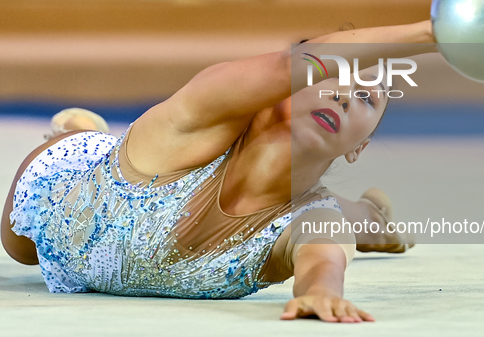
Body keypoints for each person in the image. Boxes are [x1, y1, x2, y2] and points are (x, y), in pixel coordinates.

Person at [1, 20, 436, 323]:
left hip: (296, 204)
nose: (345, 97)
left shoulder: (317, 221)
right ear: (288, 80)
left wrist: (321, 294)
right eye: (337, 75)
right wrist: (431, 34)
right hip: (75, 190)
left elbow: (321, 260)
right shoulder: (204, 111)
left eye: (367, 98)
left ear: (359, 147)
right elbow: (293, 63)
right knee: (18, 247)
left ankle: (369, 217)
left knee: (335, 218)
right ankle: (85, 129)